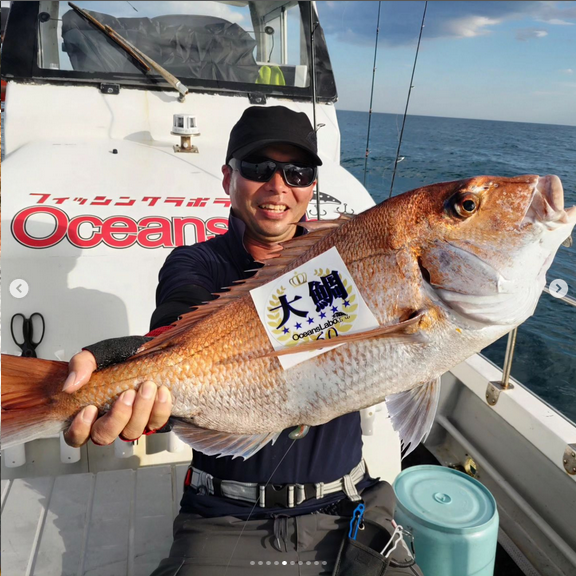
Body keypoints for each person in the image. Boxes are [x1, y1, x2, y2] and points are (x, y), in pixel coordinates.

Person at [63, 106, 422, 575]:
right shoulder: (196, 263)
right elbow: (177, 329)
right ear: (228, 177)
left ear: (311, 186)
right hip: (225, 519)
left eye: (297, 172)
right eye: (258, 169)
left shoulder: (346, 262)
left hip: (350, 505)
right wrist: (130, 364)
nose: (278, 186)